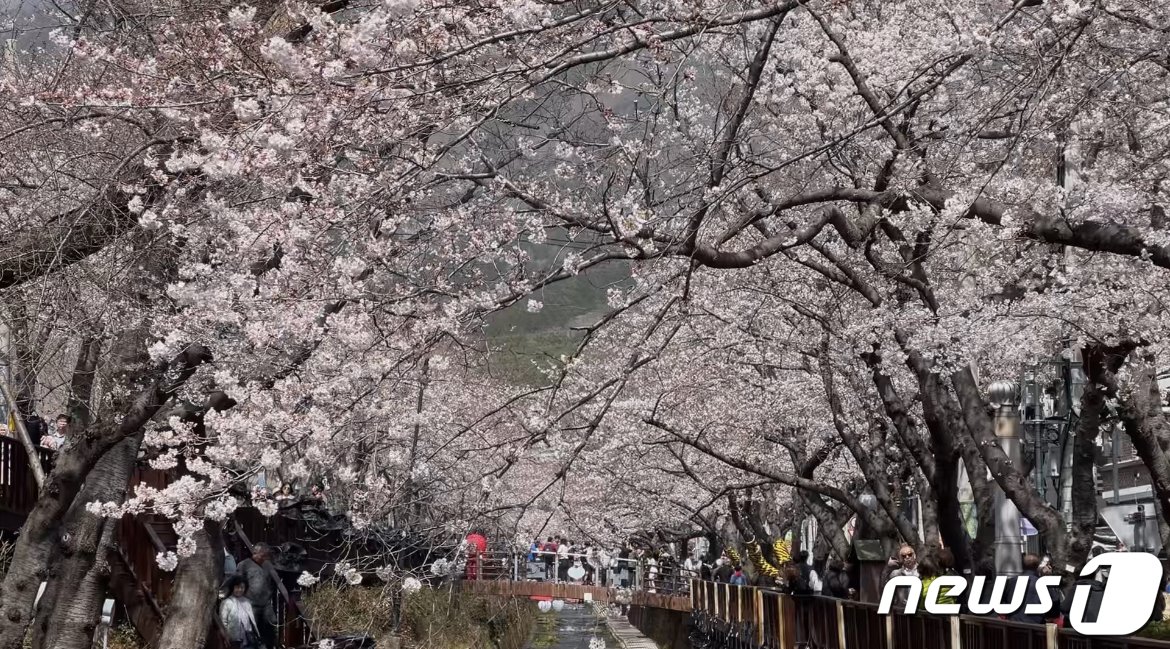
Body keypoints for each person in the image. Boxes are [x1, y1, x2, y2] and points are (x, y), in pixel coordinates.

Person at [236, 543, 277, 649]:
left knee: (271, 623)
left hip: (265, 603)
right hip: (250, 603)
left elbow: (271, 581)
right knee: (251, 630)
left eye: (266, 555)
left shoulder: (267, 565)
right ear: (256, 554)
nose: (265, 558)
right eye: (263, 555)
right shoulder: (243, 565)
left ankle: (268, 646)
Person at [1009, 553, 1061, 625]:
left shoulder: (1011, 581)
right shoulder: (1043, 583)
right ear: (1037, 566)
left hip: (1012, 626)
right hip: (1036, 627)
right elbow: (1055, 608)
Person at [220, 575, 263, 649]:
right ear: (232, 587)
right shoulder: (227, 602)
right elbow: (223, 622)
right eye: (237, 587)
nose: (239, 590)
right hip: (234, 640)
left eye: (242, 587)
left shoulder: (247, 602)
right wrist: (226, 637)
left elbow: (251, 621)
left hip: (248, 638)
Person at [880, 544, 919, 614]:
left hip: (919, 610)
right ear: (901, 558)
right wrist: (888, 567)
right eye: (904, 556)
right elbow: (884, 586)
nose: (907, 557)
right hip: (903, 611)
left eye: (910, 554)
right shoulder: (896, 574)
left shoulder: (922, 571)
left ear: (914, 555)